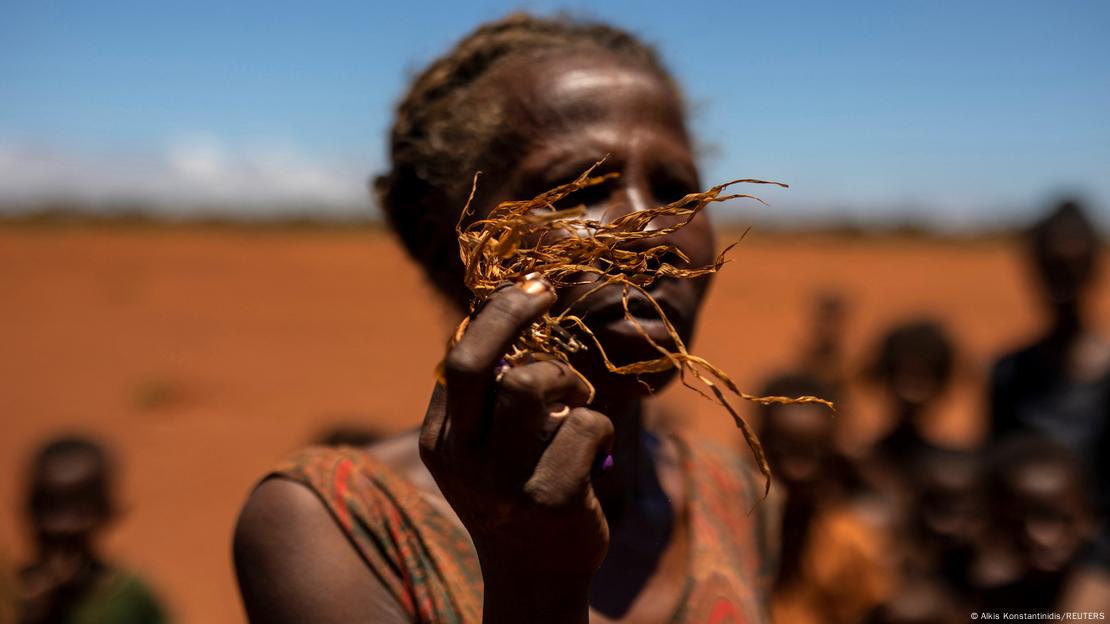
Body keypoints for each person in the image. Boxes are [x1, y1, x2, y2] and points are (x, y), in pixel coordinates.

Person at [234, 13, 779, 624]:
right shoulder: (335, 526)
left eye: (680, 189)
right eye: (577, 189)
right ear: (444, 242)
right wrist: (533, 577)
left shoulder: (730, 492)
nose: (654, 232)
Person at [989, 199, 1109, 575]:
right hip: (1022, 553)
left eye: (1072, 268)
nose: (1062, 282)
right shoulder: (1008, 371)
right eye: (1051, 268)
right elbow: (993, 470)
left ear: (1094, 269)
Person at [17, 436, 168, 624]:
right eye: (48, 506)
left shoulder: (130, 599)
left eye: (79, 510)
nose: (61, 526)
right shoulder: (11, 595)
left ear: (107, 510)